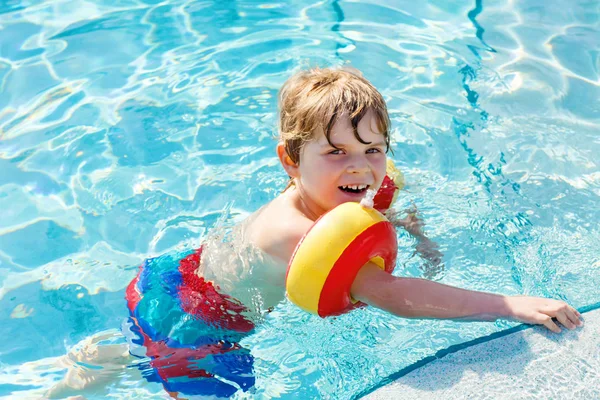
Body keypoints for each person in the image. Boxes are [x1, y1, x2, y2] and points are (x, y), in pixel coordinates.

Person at [48, 67, 584, 399]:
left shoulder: (335, 189)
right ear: (290, 159)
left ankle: (90, 372)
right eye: (337, 153)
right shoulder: (299, 231)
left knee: (128, 354)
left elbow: (386, 191)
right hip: (202, 334)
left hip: (169, 279)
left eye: (373, 150)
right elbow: (394, 296)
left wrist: (413, 231)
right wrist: (510, 304)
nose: (361, 168)